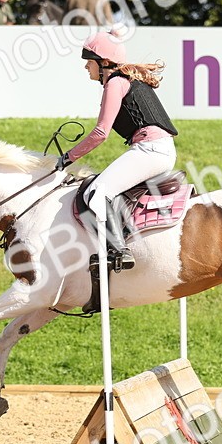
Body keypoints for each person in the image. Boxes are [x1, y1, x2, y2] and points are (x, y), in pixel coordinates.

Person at [55, 27, 178, 271]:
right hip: (159, 150)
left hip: (149, 151)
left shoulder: (115, 82)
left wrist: (68, 157)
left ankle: (118, 249)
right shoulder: (128, 79)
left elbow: (101, 133)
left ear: (105, 63)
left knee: (97, 192)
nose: (85, 67)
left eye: (89, 62)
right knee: (110, 191)